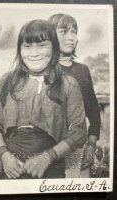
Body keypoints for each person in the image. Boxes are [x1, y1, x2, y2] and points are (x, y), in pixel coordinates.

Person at [0, 19, 87, 179]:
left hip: (51, 168)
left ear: (54, 48)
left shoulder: (69, 84)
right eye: (27, 46)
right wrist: (5, 156)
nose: (34, 53)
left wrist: (48, 156)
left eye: (42, 45)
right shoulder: (8, 81)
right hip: (11, 168)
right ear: (20, 49)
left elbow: (79, 132)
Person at [48, 14, 101, 171]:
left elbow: (94, 112)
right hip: (44, 152)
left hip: (76, 152)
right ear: (50, 35)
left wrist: (91, 146)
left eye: (74, 32)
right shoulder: (43, 71)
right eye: (64, 31)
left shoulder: (82, 70)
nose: (71, 37)